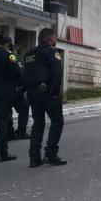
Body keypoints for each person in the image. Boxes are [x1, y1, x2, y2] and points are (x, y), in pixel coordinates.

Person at [24, 28, 67, 167]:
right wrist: (54, 92)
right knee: (57, 121)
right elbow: (57, 73)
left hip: (32, 94)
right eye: (55, 38)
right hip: (47, 93)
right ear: (50, 38)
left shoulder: (29, 54)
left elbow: (25, 74)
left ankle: (34, 158)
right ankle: (51, 153)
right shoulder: (52, 52)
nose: (55, 40)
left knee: (38, 124)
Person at [7, 44, 30, 140]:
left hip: (1, 90)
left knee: (6, 112)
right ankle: (21, 132)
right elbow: (21, 72)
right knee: (24, 108)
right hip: (14, 90)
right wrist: (23, 88)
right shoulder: (11, 56)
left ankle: (9, 133)